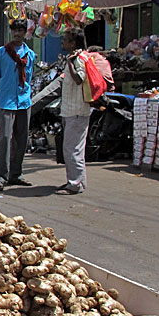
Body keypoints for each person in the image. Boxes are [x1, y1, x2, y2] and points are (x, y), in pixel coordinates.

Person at [0, 19, 36, 192]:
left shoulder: (30, 55)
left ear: (25, 33)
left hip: (24, 100)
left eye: (20, 31)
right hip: (7, 100)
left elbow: (29, 77)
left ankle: (16, 174)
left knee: (22, 139)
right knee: (5, 138)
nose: (17, 35)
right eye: (14, 31)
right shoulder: (2, 52)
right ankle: (0, 176)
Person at [57, 28, 91, 195]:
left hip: (77, 111)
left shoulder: (79, 59)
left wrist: (70, 63)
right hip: (71, 110)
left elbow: (79, 78)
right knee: (74, 148)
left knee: (72, 149)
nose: (62, 42)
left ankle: (75, 184)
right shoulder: (75, 57)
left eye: (65, 39)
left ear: (73, 42)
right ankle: (76, 181)